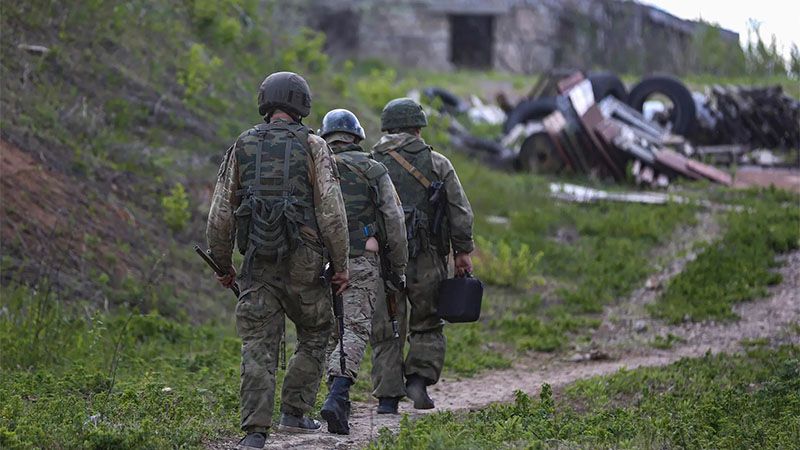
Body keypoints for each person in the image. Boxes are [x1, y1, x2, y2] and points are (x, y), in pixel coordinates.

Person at [206, 71, 350, 450]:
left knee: (258, 345)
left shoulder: (243, 145)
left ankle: (254, 432)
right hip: (305, 263)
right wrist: (341, 266)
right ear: (301, 104)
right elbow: (333, 213)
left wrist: (223, 265)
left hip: (257, 261)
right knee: (317, 332)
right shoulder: (315, 145)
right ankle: (295, 412)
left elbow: (220, 213)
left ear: (266, 103)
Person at [370, 98, 475, 414]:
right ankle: (418, 380)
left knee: (387, 326)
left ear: (387, 127)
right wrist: (462, 251)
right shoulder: (437, 163)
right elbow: (460, 210)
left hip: (383, 260)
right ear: (418, 128)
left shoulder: (369, 162)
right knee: (427, 321)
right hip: (426, 257)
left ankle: (387, 398)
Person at [317, 109, 408, 435]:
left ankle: (336, 401)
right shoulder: (373, 169)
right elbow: (394, 221)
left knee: (331, 332)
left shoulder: (313, 166)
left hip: (316, 262)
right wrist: (397, 267)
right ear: (356, 137)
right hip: (360, 260)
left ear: (326, 136)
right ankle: (338, 395)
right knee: (353, 329)